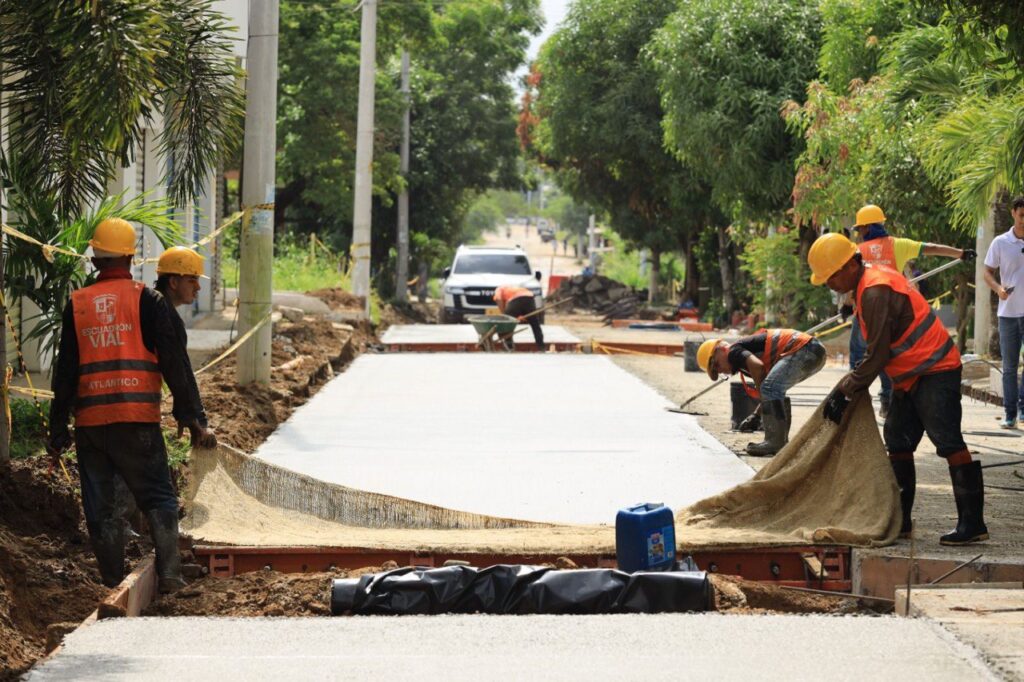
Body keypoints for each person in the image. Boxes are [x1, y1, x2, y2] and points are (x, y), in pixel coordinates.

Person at [46, 219, 217, 593]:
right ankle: (170, 577)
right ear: (130, 256)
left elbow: (65, 372)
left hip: (91, 424)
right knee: (157, 495)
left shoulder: (77, 303)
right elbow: (173, 362)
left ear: (94, 257)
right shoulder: (147, 300)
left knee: (101, 507)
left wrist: (57, 427)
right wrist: (189, 416)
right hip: (137, 419)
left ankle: (112, 582)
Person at [808, 232, 987, 545]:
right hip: (910, 374)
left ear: (850, 265)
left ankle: (973, 524)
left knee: (948, 442)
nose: (829, 284)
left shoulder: (875, 290)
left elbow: (876, 355)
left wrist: (844, 391)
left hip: (934, 368)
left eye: (831, 277)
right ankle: (901, 521)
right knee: (898, 441)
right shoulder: (869, 283)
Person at [845, 204, 974, 417]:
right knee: (886, 358)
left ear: (867, 228)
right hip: (893, 315)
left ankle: (854, 401)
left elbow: (851, 282)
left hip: (866, 313)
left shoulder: (857, 251)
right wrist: (960, 253)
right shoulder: (897, 245)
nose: (859, 233)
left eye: (860, 229)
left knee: (858, 358)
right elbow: (930, 247)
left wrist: (846, 306)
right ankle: (887, 401)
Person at [696, 330, 826, 456]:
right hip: (814, 351)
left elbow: (758, 368)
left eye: (717, 364)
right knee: (775, 389)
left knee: (769, 388)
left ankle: (774, 442)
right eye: (718, 372)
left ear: (722, 349)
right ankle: (781, 442)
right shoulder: (744, 358)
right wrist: (756, 415)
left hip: (805, 349)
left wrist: (760, 409)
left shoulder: (733, 351)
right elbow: (771, 393)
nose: (721, 370)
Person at [982, 196, 1024, 428]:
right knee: (1009, 367)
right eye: (1021, 216)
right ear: (1014, 214)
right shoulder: (1000, 242)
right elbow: (987, 271)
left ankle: (1023, 410)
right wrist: (998, 288)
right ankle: (1010, 414)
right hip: (1008, 314)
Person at [493, 284, 546, 351]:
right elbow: (518, 307)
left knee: (507, 324)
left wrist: (504, 316)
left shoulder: (499, 289)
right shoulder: (512, 289)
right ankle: (541, 347)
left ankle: (509, 347)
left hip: (516, 299)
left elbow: (499, 299)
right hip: (529, 298)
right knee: (535, 324)